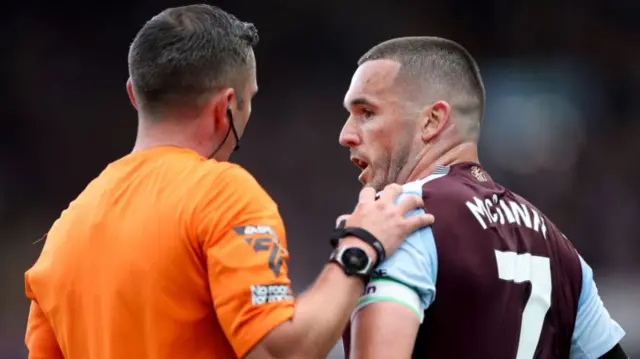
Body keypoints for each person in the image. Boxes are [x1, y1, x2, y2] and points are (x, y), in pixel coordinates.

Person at [23, 6, 434, 359]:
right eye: (249, 99)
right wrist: (360, 245)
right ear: (227, 107)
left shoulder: (63, 232)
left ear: (134, 94)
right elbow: (278, 350)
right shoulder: (221, 194)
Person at [338, 36, 627, 359]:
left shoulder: (403, 217)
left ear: (432, 120)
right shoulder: (561, 248)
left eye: (366, 112)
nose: (345, 134)